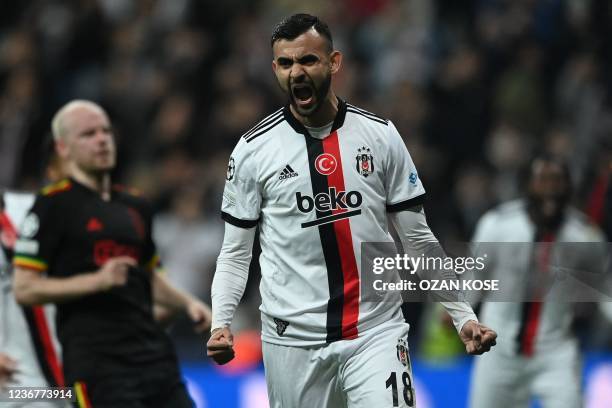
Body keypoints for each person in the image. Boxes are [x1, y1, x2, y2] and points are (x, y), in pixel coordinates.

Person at [207, 13, 497, 407]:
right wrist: (220, 322)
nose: (297, 73)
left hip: (375, 330)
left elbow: (418, 239)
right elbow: (236, 253)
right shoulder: (253, 151)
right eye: (287, 64)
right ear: (275, 69)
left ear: (333, 62)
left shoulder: (380, 136)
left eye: (308, 60)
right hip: (292, 341)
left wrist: (462, 315)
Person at [12, 100, 211, 407]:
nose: (102, 139)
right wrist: (96, 281)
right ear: (63, 148)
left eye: (106, 131)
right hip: (98, 367)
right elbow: (25, 288)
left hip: (155, 358)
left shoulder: (136, 205)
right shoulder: (51, 206)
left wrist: (189, 304)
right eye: (88, 134)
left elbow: (148, 276)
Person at [469, 155, 606, 408]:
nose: (551, 188)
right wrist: (460, 313)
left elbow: (605, 284)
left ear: (569, 187)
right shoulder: (498, 224)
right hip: (498, 348)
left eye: (558, 181)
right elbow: (475, 274)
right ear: (527, 185)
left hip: (556, 351)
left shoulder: (584, 236)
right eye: (543, 180)